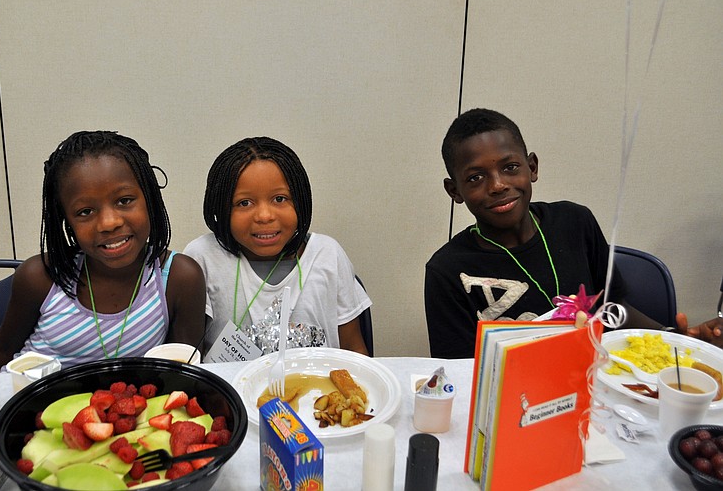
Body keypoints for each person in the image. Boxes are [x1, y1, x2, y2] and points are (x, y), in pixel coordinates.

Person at [424, 108, 720, 358]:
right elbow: (459, 373)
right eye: (476, 178)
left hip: (596, 382)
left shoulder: (575, 222)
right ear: (455, 191)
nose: (498, 185)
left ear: (532, 167)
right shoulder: (447, 271)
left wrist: (676, 342)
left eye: (510, 167)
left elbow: (612, 309)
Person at [0, 131, 206, 371]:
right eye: (85, 212)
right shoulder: (41, 277)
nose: (109, 222)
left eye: (124, 200)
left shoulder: (179, 278)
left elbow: (184, 372)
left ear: (150, 198)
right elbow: (1, 350)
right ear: (65, 221)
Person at [184, 136, 371, 359]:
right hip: (231, 393)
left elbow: (354, 350)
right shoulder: (203, 258)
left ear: (300, 200)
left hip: (317, 391)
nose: (264, 216)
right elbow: (190, 357)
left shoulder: (328, 254)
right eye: (244, 203)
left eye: (280, 198)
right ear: (220, 208)